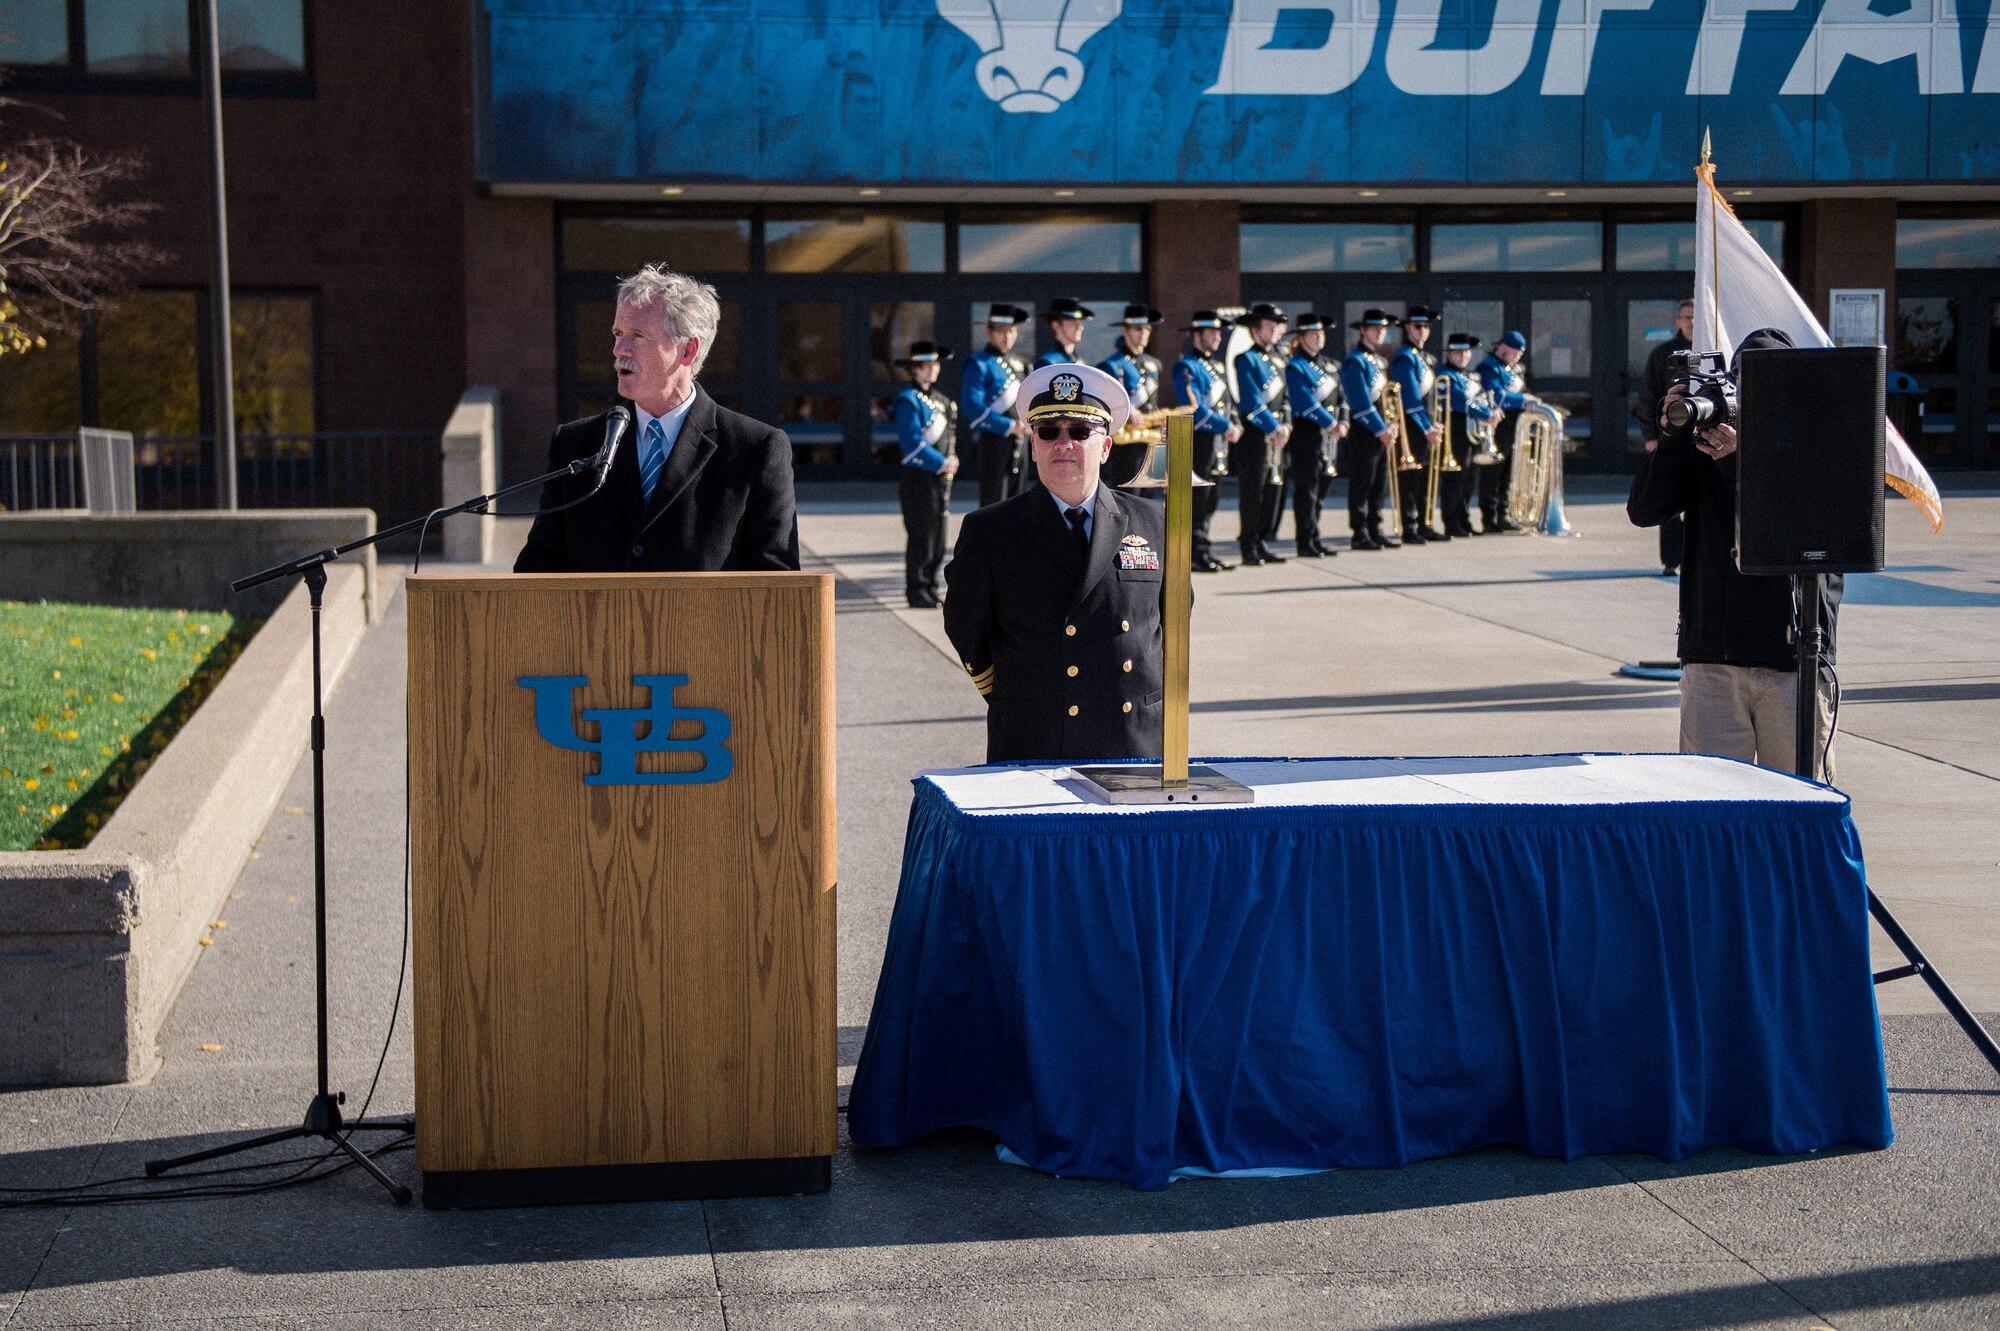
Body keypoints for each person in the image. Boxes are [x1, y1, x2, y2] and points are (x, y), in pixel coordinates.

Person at [1627, 327, 1842, 779]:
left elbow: (1795, 529)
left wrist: (1736, 464)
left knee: (1801, 809)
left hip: (1792, 659)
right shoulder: (1707, 443)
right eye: (1739, 380)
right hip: (1713, 658)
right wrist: (1672, 439)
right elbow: (1645, 510)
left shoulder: (1819, 444)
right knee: (1714, 808)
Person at [943, 364, 1167, 763]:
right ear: (1033, 446)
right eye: (1048, 432)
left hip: (1131, 741)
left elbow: (1174, 620)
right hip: (1034, 738)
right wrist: (1024, 694)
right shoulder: (989, 531)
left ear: (1106, 447)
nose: (1063, 443)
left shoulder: (1154, 522)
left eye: (1080, 432)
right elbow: (966, 628)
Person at [516, 264, 797, 572]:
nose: (618, 349)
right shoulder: (574, 445)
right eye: (618, 333)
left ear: (688, 350)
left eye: (637, 335)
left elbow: (777, 585)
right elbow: (537, 568)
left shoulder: (756, 450)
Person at [1172, 309, 1240, 573]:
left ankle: (1204, 549)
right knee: (1198, 499)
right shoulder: (1186, 367)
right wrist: (1226, 426)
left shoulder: (1218, 366)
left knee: (1212, 498)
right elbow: (1194, 409)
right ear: (1197, 335)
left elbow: (1227, 402)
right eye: (1212, 332)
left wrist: (1235, 424)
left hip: (1218, 442)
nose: (1218, 337)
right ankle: (1194, 553)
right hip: (1199, 440)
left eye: (1219, 333)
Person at [893, 341, 959, 609]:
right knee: (922, 535)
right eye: (925, 366)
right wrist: (942, 462)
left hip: (939, 478)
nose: (932, 370)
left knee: (939, 536)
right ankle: (917, 588)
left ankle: (931, 585)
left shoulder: (943, 401)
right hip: (918, 477)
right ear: (914, 369)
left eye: (934, 365)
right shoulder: (907, 401)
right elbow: (911, 446)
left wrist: (952, 460)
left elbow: (949, 439)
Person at [1231, 303, 1292, 566]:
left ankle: (1263, 541)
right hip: (1256, 436)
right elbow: (1251, 402)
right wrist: (1274, 428)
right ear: (1256, 329)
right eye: (1271, 324)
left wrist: (1286, 425)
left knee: (1273, 490)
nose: (1277, 329)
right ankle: (1249, 545)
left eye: (1278, 324)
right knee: (1253, 492)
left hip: (1279, 435)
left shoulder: (1279, 359)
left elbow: (1286, 399)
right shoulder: (1245, 359)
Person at [1638, 299, 1695, 575]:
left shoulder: (1711, 350)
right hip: (1670, 440)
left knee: (1699, 504)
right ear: (1677, 321)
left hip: (1702, 441)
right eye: (1686, 317)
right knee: (1670, 501)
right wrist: (1650, 436)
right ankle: (1671, 561)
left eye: (1696, 317)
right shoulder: (1663, 354)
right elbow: (1648, 397)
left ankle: (1694, 560)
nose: (1691, 322)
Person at [1283, 312, 1345, 557]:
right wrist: (1331, 423)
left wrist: (1344, 422)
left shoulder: (1331, 365)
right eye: (1313, 333)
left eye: (1321, 333)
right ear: (1301, 337)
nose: (1319, 337)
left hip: (1330, 434)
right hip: (1307, 433)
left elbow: (1342, 398)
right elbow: (1303, 401)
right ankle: (1304, 540)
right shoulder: (1296, 366)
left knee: (1322, 488)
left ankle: (1315, 535)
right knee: (1307, 489)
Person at [1339, 308, 1399, 550]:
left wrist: (1391, 424)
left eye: (1383, 329)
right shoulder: (1355, 361)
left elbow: (1384, 400)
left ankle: (1376, 528)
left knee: (1379, 484)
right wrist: (1380, 429)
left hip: (1382, 431)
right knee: (1363, 483)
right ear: (1362, 330)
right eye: (1374, 328)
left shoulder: (1379, 361)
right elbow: (1361, 403)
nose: (1379, 333)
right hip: (1365, 431)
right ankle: (1360, 532)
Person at [962, 304, 1032, 509]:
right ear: (989, 332)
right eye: (1001, 331)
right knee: (993, 506)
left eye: (1011, 331)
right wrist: (1009, 426)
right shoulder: (978, 363)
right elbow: (972, 407)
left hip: (1020, 443)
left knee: (1017, 505)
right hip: (993, 443)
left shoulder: (1022, 364)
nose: (1007, 336)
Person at [1390, 307, 1447, 543]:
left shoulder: (1426, 358)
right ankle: (1410, 527)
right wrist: (1426, 427)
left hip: (1427, 425)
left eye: (1425, 327)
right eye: (1417, 326)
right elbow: (1411, 399)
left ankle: (1425, 523)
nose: (1422, 331)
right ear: (1407, 328)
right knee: (1411, 480)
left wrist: (1436, 423)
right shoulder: (1405, 357)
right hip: (1412, 427)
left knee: (1426, 478)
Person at [1437, 333, 1500, 539]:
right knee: (1454, 479)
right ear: (1449, 354)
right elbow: (1460, 401)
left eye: (1466, 352)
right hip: (1454, 430)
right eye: (1457, 352)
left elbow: (1482, 397)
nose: (1462, 356)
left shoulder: (1470, 376)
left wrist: (1494, 409)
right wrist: (1486, 413)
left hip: (1471, 433)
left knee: (1469, 479)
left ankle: (1463, 519)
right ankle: (1451, 522)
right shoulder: (1445, 375)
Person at [1099, 305, 1164, 489]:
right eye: (1138, 329)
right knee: (1127, 495)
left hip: (1150, 439)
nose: (1144, 333)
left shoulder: (1154, 364)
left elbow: (1153, 403)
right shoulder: (1112, 365)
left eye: (1147, 328)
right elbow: (1107, 402)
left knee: (1149, 495)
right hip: (1127, 441)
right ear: (1124, 330)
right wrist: (1128, 410)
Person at [1474, 331, 1531, 533]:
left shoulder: (1512, 370)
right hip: (1496, 429)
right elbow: (1496, 396)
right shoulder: (1488, 367)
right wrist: (1523, 400)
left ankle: (1503, 514)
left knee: (1508, 474)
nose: (1517, 358)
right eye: (1515, 354)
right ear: (1504, 349)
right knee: (1492, 474)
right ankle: (1489, 518)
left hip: (1513, 428)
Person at [1036, 297, 1094, 368]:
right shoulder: (1047, 364)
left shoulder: (1081, 364)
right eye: (1073, 322)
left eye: (1080, 322)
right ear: (1056, 325)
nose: (1080, 327)